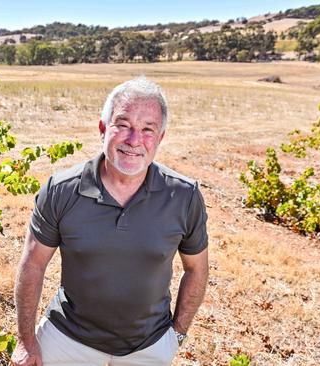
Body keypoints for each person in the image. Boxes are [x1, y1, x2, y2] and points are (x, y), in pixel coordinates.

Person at [11, 76, 209, 366]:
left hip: (150, 345)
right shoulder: (60, 191)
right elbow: (32, 264)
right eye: (123, 125)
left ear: (161, 137)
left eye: (147, 129)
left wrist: (176, 336)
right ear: (103, 128)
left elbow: (197, 269)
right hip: (68, 337)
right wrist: (26, 341)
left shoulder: (184, 195)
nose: (134, 140)